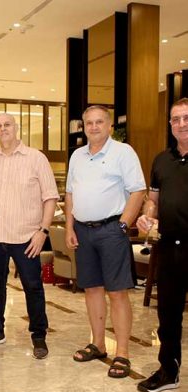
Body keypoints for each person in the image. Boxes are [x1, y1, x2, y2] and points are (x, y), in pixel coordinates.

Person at [66, 105, 145, 378]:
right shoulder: (77, 156)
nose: (94, 127)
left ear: (109, 125)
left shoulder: (123, 152)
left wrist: (123, 224)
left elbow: (138, 190)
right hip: (83, 231)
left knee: (118, 292)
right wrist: (69, 227)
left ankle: (122, 353)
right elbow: (70, 194)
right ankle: (98, 344)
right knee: (92, 289)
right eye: (89, 123)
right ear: (83, 127)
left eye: (99, 122)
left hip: (112, 229)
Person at [0, 113, 59, 359]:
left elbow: (50, 197)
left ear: (16, 128)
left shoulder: (36, 158)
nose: (3, 129)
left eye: (7, 125)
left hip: (26, 238)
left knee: (32, 286)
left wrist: (43, 231)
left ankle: (38, 335)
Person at [136, 97, 188, 392]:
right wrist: (147, 216)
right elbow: (152, 200)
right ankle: (168, 370)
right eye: (176, 119)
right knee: (168, 313)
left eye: (186, 118)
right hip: (169, 246)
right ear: (170, 124)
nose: (181, 124)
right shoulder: (161, 160)